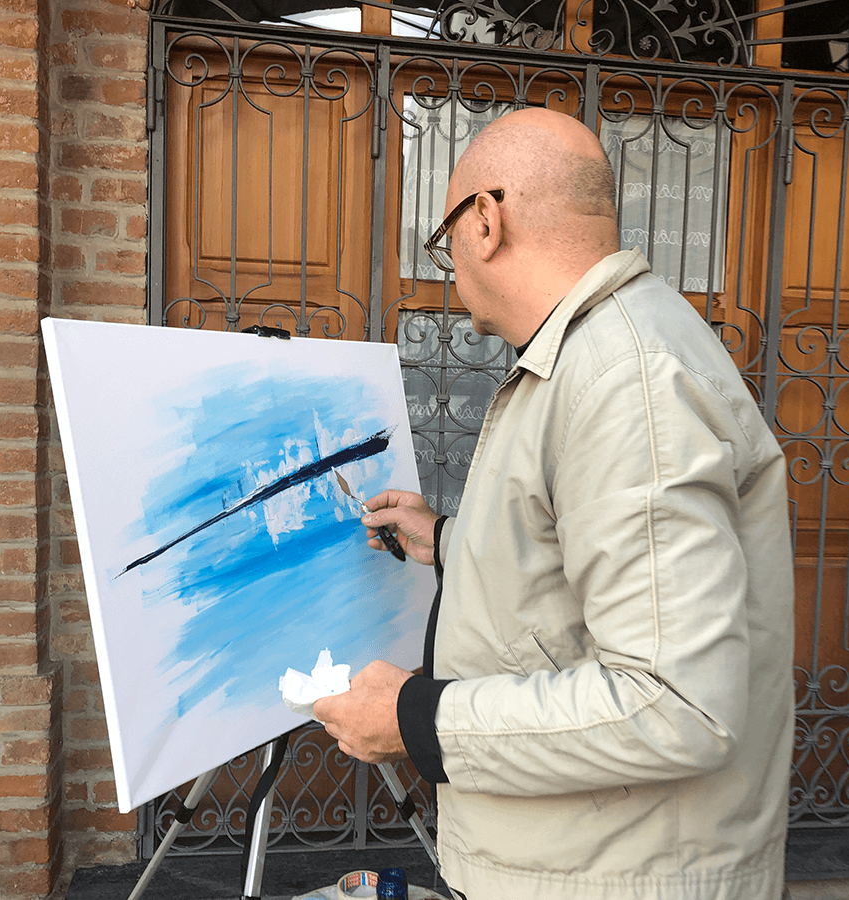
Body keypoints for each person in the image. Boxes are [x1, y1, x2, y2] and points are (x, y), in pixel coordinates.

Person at [314, 108, 794, 900]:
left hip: (615, 878)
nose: (450, 266)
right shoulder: (599, 352)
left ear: (485, 221)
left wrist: (414, 720)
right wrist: (449, 538)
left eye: (445, 241)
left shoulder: (626, 381)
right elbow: (587, 554)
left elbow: (675, 706)